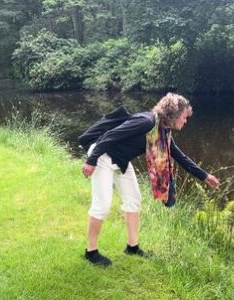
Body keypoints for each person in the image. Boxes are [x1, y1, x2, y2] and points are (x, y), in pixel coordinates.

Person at [81, 92, 220, 267]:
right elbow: (110, 136)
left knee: (134, 200)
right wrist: (91, 160)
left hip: (120, 160)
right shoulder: (146, 121)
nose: (185, 121)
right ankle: (91, 252)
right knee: (102, 204)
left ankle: (132, 247)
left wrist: (205, 176)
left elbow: (180, 156)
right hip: (102, 155)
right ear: (174, 114)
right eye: (184, 117)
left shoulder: (163, 131)